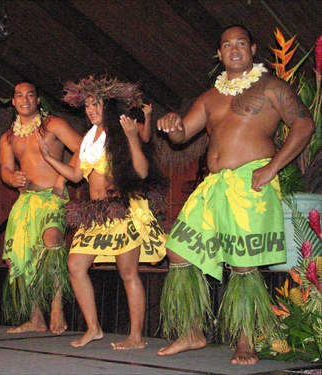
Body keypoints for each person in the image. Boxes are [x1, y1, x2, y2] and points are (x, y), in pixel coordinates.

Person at [156, 25, 315, 365]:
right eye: (227, 45)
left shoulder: (271, 86)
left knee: (242, 263)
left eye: (241, 43)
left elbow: (304, 125)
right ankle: (191, 331)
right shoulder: (210, 96)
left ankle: (246, 340)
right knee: (177, 249)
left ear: (253, 49)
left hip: (251, 182)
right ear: (220, 54)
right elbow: (182, 136)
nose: (234, 49)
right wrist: (173, 123)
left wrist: (272, 168)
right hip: (215, 184)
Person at [36, 75, 168, 350]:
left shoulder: (119, 132)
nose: (90, 109)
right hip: (94, 214)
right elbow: (74, 175)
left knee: (128, 272)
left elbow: (142, 172)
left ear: (108, 106)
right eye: (86, 105)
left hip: (120, 211)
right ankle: (93, 327)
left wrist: (133, 138)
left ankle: (136, 336)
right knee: (75, 264)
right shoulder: (87, 139)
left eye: (96, 104)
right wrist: (49, 158)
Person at [0, 82, 82, 334]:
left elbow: (84, 148)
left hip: (52, 197)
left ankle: (57, 308)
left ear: (37, 100)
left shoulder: (53, 125)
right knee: (22, 256)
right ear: (13, 101)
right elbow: (4, 168)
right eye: (19, 96)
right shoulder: (8, 137)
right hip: (26, 201)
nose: (25, 100)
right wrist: (11, 178)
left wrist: (61, 180)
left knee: (53, 242)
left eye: (30, 95)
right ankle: (36, 318)